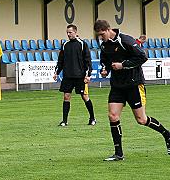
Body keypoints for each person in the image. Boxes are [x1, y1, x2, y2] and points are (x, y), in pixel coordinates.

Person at [94, 19, 170, 161]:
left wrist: (123, 65)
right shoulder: (104, 45)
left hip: (134, 84)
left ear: (109, 29)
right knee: (113, 116)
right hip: (117, 85)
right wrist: (105, 68)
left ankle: (167, 135)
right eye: (98, 35)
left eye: (102, 34)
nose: (100, 37)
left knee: (141, 120)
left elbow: (142, 57)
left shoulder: (126, 40)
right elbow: (104, 60)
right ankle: (118, 153)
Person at [53, 24, 96, 127]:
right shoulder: (65, 45)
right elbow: (61, 60)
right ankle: (64, 121)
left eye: (70, 32)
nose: (68, 34)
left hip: (80, 76)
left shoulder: (82, 44)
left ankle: (92, 118)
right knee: (66, 96)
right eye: (67, 32)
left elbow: (87, 60)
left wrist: (88, 75)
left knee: (85, 96)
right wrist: (56, 72)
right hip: (67, 76)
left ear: (75, 32)